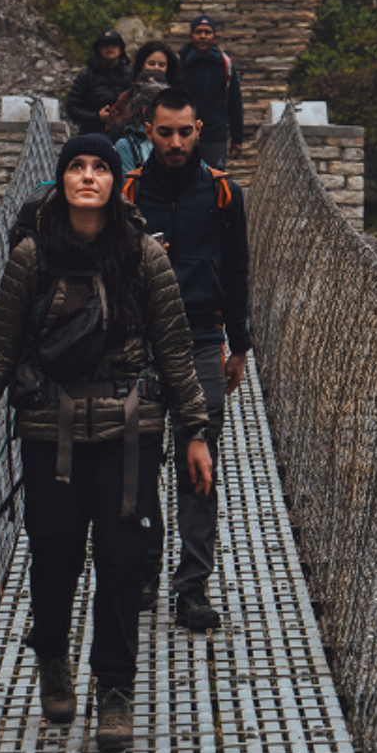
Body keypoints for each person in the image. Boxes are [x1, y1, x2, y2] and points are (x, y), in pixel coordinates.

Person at [0, 132, 213, 753]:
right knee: (53, 555)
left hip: (128, 429)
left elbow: (175, 351)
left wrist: (196, 433)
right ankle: (52, 652)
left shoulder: (142, 256)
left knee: (120, 559)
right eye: (75, 166)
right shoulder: (32, 256)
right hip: (49, 429)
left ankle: (114, 691)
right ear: (61, 180)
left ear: (114, 181)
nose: (87, 177)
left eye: (99, 167)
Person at [122, 88, 251, 631]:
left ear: (199, 129)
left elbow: (239, 272)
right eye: (165, 132)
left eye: (185, 132)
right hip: (138, 343)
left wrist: (239, 345)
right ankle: (147, 568)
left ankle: (191, 586)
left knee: (200, 465)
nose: (176, 143)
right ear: (148, 132)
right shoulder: (125, 192)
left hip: (201, 338)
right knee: (139, 461)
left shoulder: (224, 194)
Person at [175, 15, 245, 170]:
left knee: (214, 182)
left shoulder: (225, 64)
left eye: (207, 32)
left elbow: (234, 102)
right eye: (198, 32)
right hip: (182, 133)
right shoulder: (178, 63)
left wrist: (237, 138)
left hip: (214, 135)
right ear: (190, 36)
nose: (202, 36)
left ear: (214, 37)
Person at [114, 42, 179, 173]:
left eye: (161, 65)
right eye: (151, 63)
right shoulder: (128, 145)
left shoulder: (177, 141)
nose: (156, 68)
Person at [64, 29, 133, 137]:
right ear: (98, 49)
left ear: (120, 50)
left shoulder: (130, 75)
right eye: (105, 45)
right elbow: (72, 109)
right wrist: (97, 117)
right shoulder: (86, 76)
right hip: (93, 134)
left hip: (125, 135)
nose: (110, 48)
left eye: (114, 45)